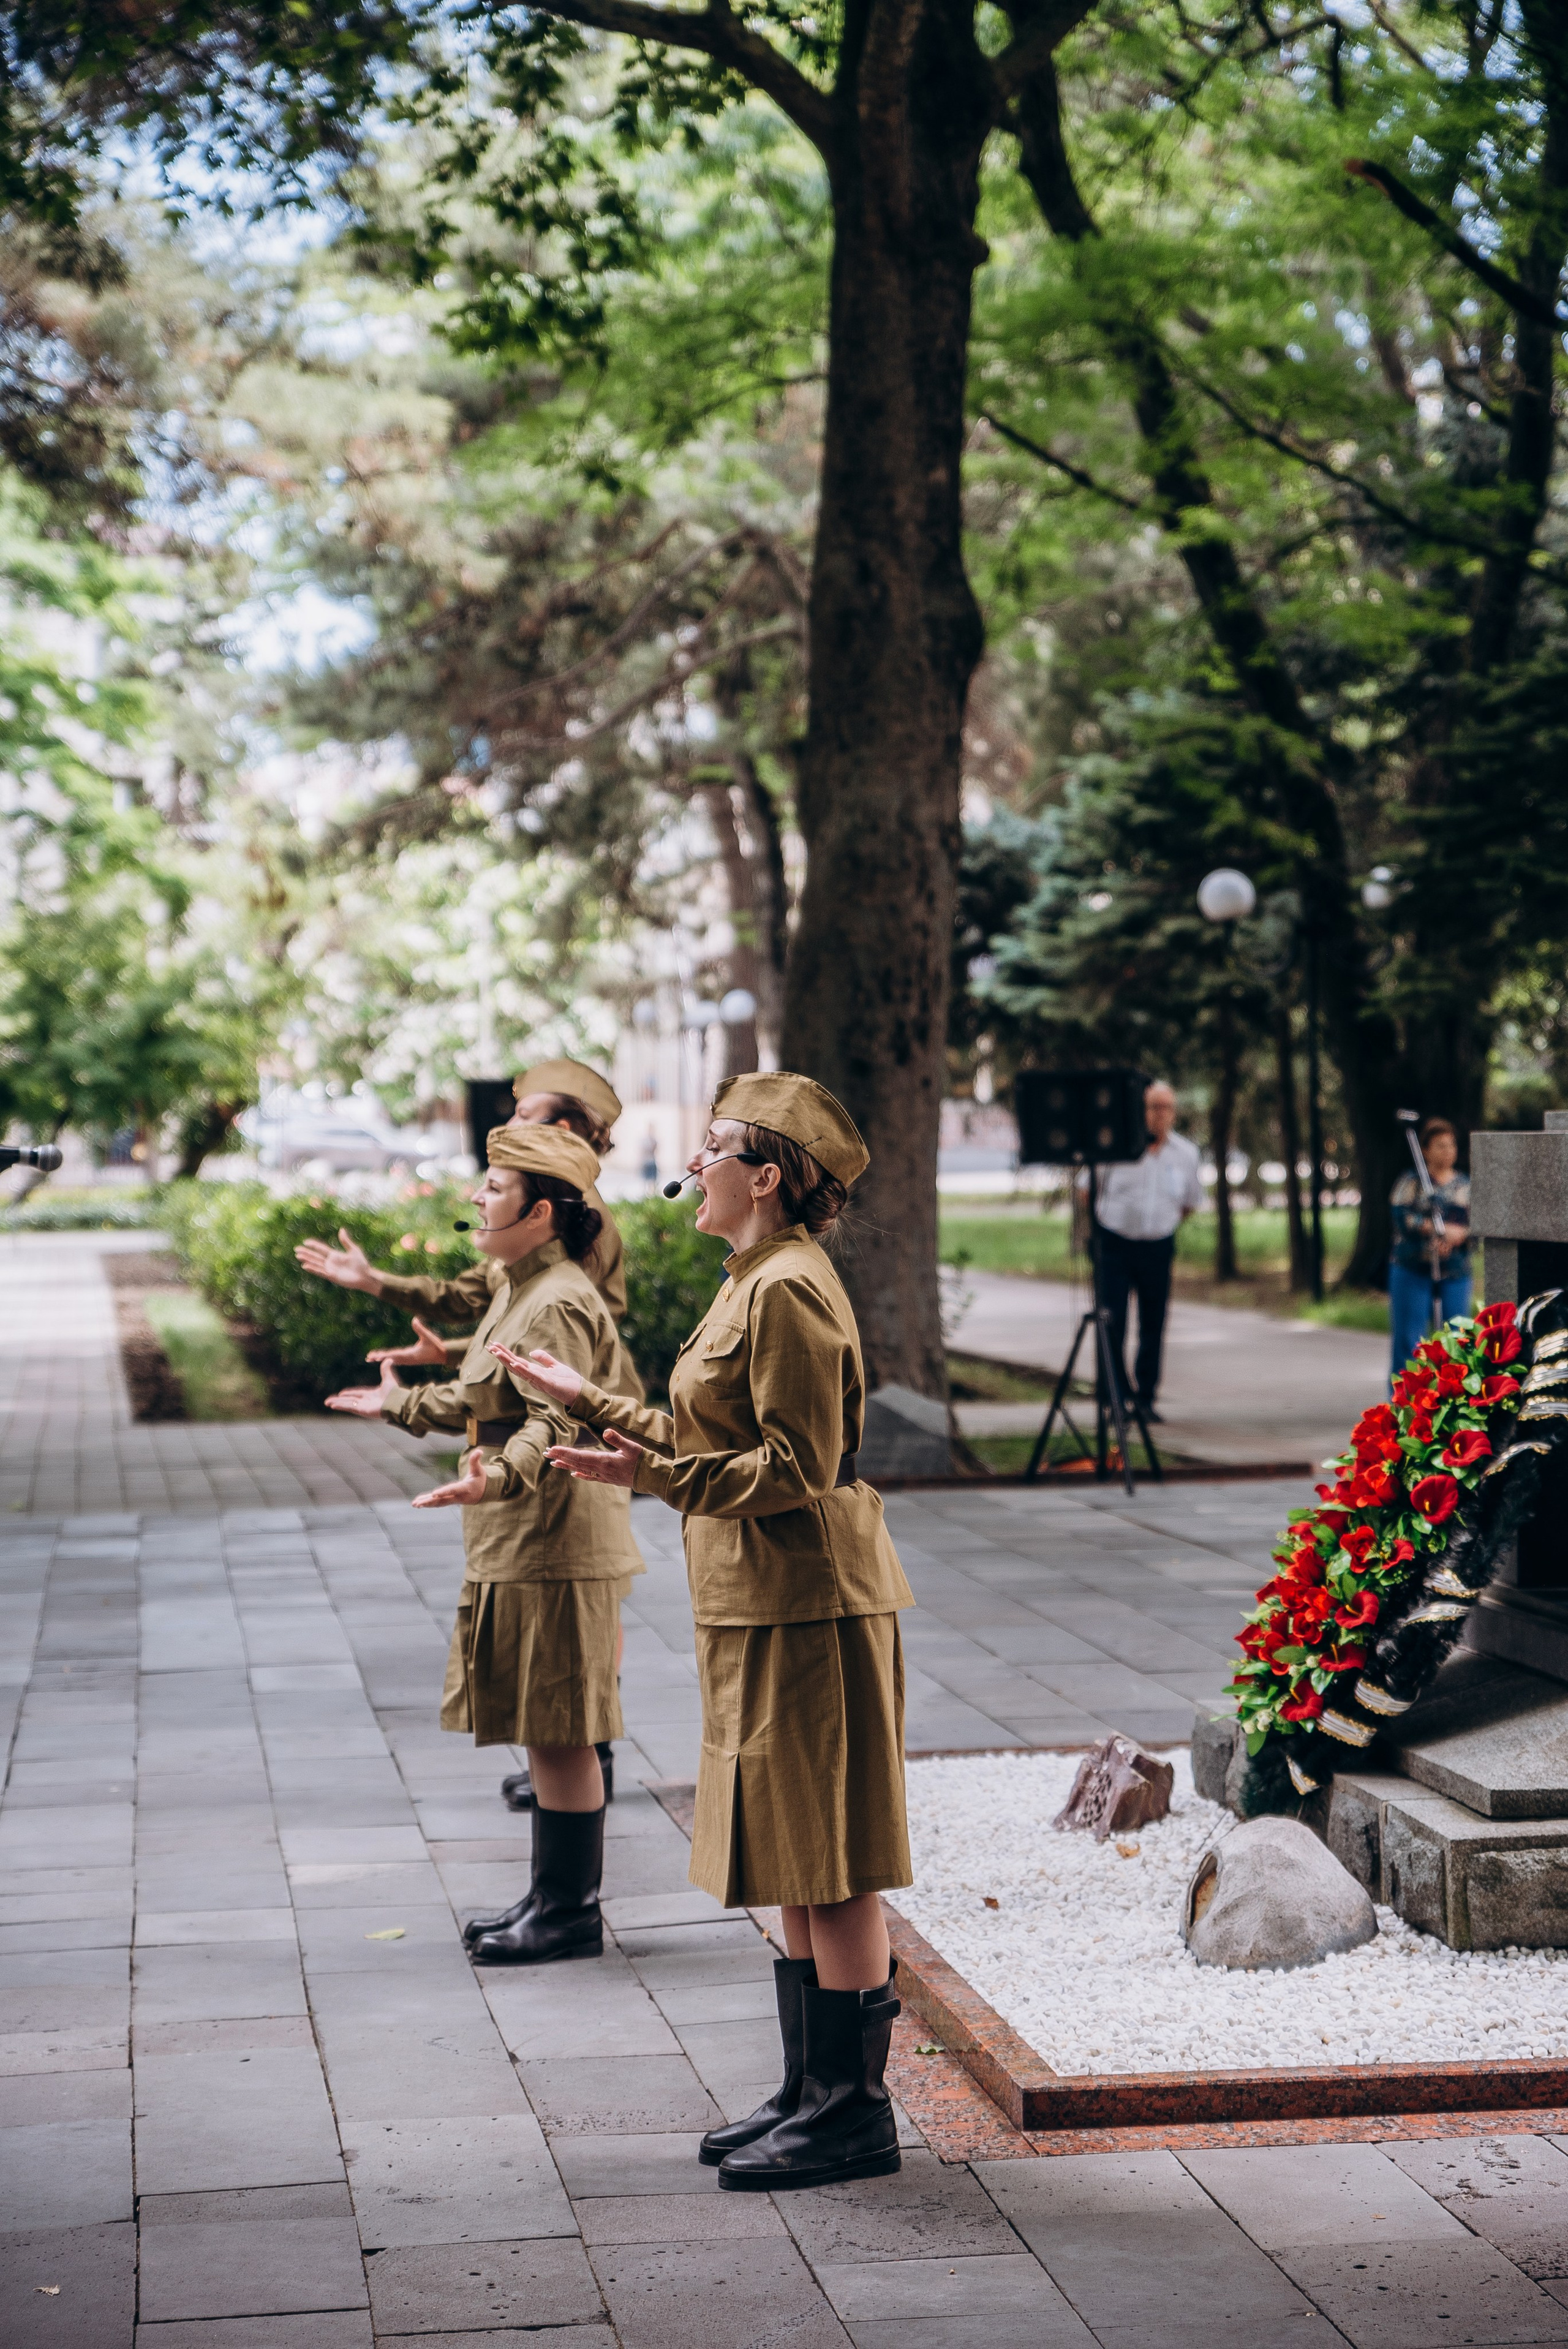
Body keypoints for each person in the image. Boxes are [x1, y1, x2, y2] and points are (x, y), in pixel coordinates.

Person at [498, 1072, 913, 2193]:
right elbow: (704, 1432)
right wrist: (588, 1400)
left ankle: (854, 2112)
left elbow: (795, 1467)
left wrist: (646, 1474)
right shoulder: (751, 1281)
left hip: (812, 1599)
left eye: (713, 1146)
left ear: (765, 1176)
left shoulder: (791, 1289)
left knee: (832, 1856)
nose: (692, 1163)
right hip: (757, 1596)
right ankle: (811, 2090)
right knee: (793, 1846)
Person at [321, 1123, 643, 1965]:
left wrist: (497, 1476)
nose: (475, 1195)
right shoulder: (520, 1284)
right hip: (525, 1531)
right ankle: (551, 1898)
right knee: (544, 1724)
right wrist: (395, 1403)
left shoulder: (557, 1298)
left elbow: (556, 1420)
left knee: (563, 1726)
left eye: (495, 1187)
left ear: (540, 1212)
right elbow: (487, 1392)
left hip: (556, 1535)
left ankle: (569, 1912)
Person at [1087, 1079, 1205, 1421]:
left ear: (1174, 1113)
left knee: (1153, 1324)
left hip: (1158, 1246)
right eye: (1153, 1107)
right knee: (1112, 1322)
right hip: (1115, 1244)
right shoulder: (1117, 1148)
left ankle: (1145, 1398)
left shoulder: (1186, 1154)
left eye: (1166, 1107)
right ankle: (1114, 1399)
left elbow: (1190, 1202)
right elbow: (1088, 1191)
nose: (1159, 1114)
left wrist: (1162, 1224)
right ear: (1142, 1111)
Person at [1389, 1117, 1472, 1378]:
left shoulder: (1466, 1185)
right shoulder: (1412, 1182)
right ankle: (1407, 1397)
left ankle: (1453, 1393)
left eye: (1451, 1145)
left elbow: (1478, 1225)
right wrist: (1434, 1230)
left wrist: (1458, 1235)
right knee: (1409, 1341)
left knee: (1457, 1339)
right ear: (1425, 1150)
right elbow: (1401, 1217)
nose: (1448, 1151)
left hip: (1455, 1271)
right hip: (1412, 1269)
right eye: (1440, 1146)